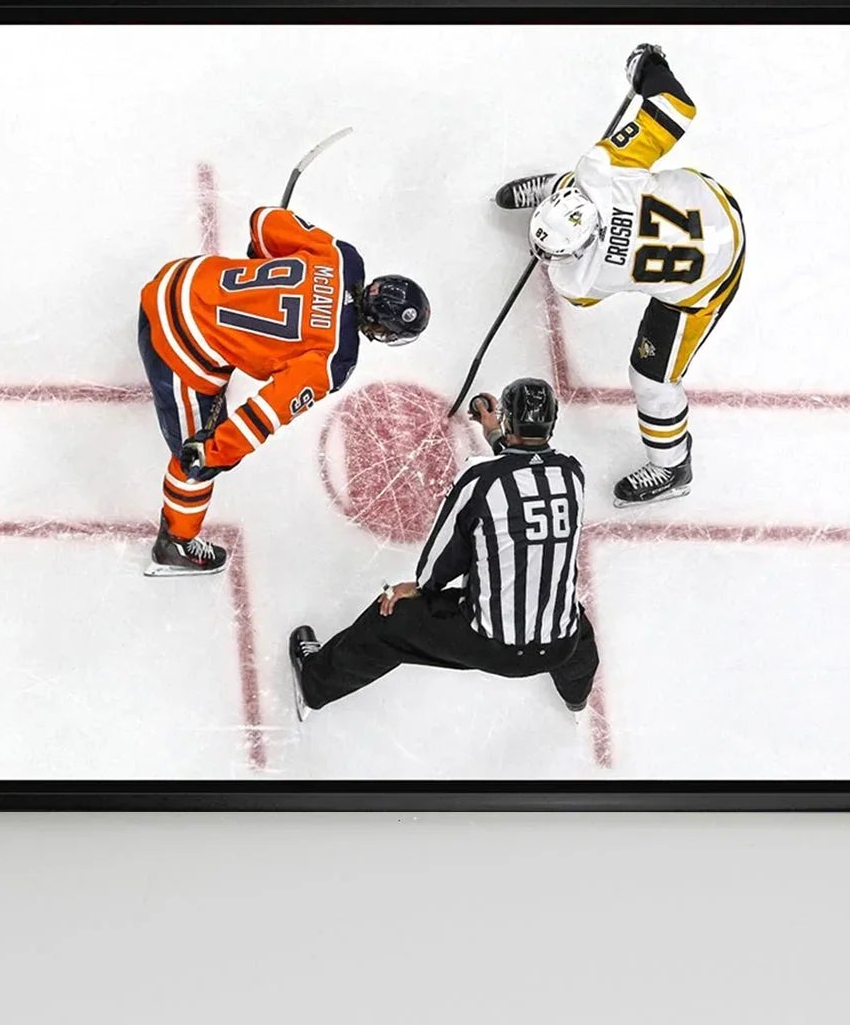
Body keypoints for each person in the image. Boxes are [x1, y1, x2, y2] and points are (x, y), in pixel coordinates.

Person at [493, 42, 746, 506]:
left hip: (709, 280)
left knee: (653, 380)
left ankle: (673, 469)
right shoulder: (603, 172)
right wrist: (648, 67)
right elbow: (676, 106)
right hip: (713, 205)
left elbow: (585, 288)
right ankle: (558, 187)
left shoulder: (576, 280)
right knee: (611, 169)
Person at [137, 202, 429, 577]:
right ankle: (174, 544)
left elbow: (264, 220)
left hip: (178, 278)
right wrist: (215, 452)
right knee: (193, 462)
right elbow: (264, 413)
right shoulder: (335, 358)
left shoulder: (344, 258)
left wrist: (265, 255)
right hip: (173, 343)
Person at [287, 376, 598, 716]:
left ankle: (314, 684)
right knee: (574, 625)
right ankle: (576, 695)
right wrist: (495, 434)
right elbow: (525, 471)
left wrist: (420, 587)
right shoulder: (573, 474)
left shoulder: (479, 479)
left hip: (491, 645)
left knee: (389, 619)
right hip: (560, 646)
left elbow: (443, 559)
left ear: (508, 420)